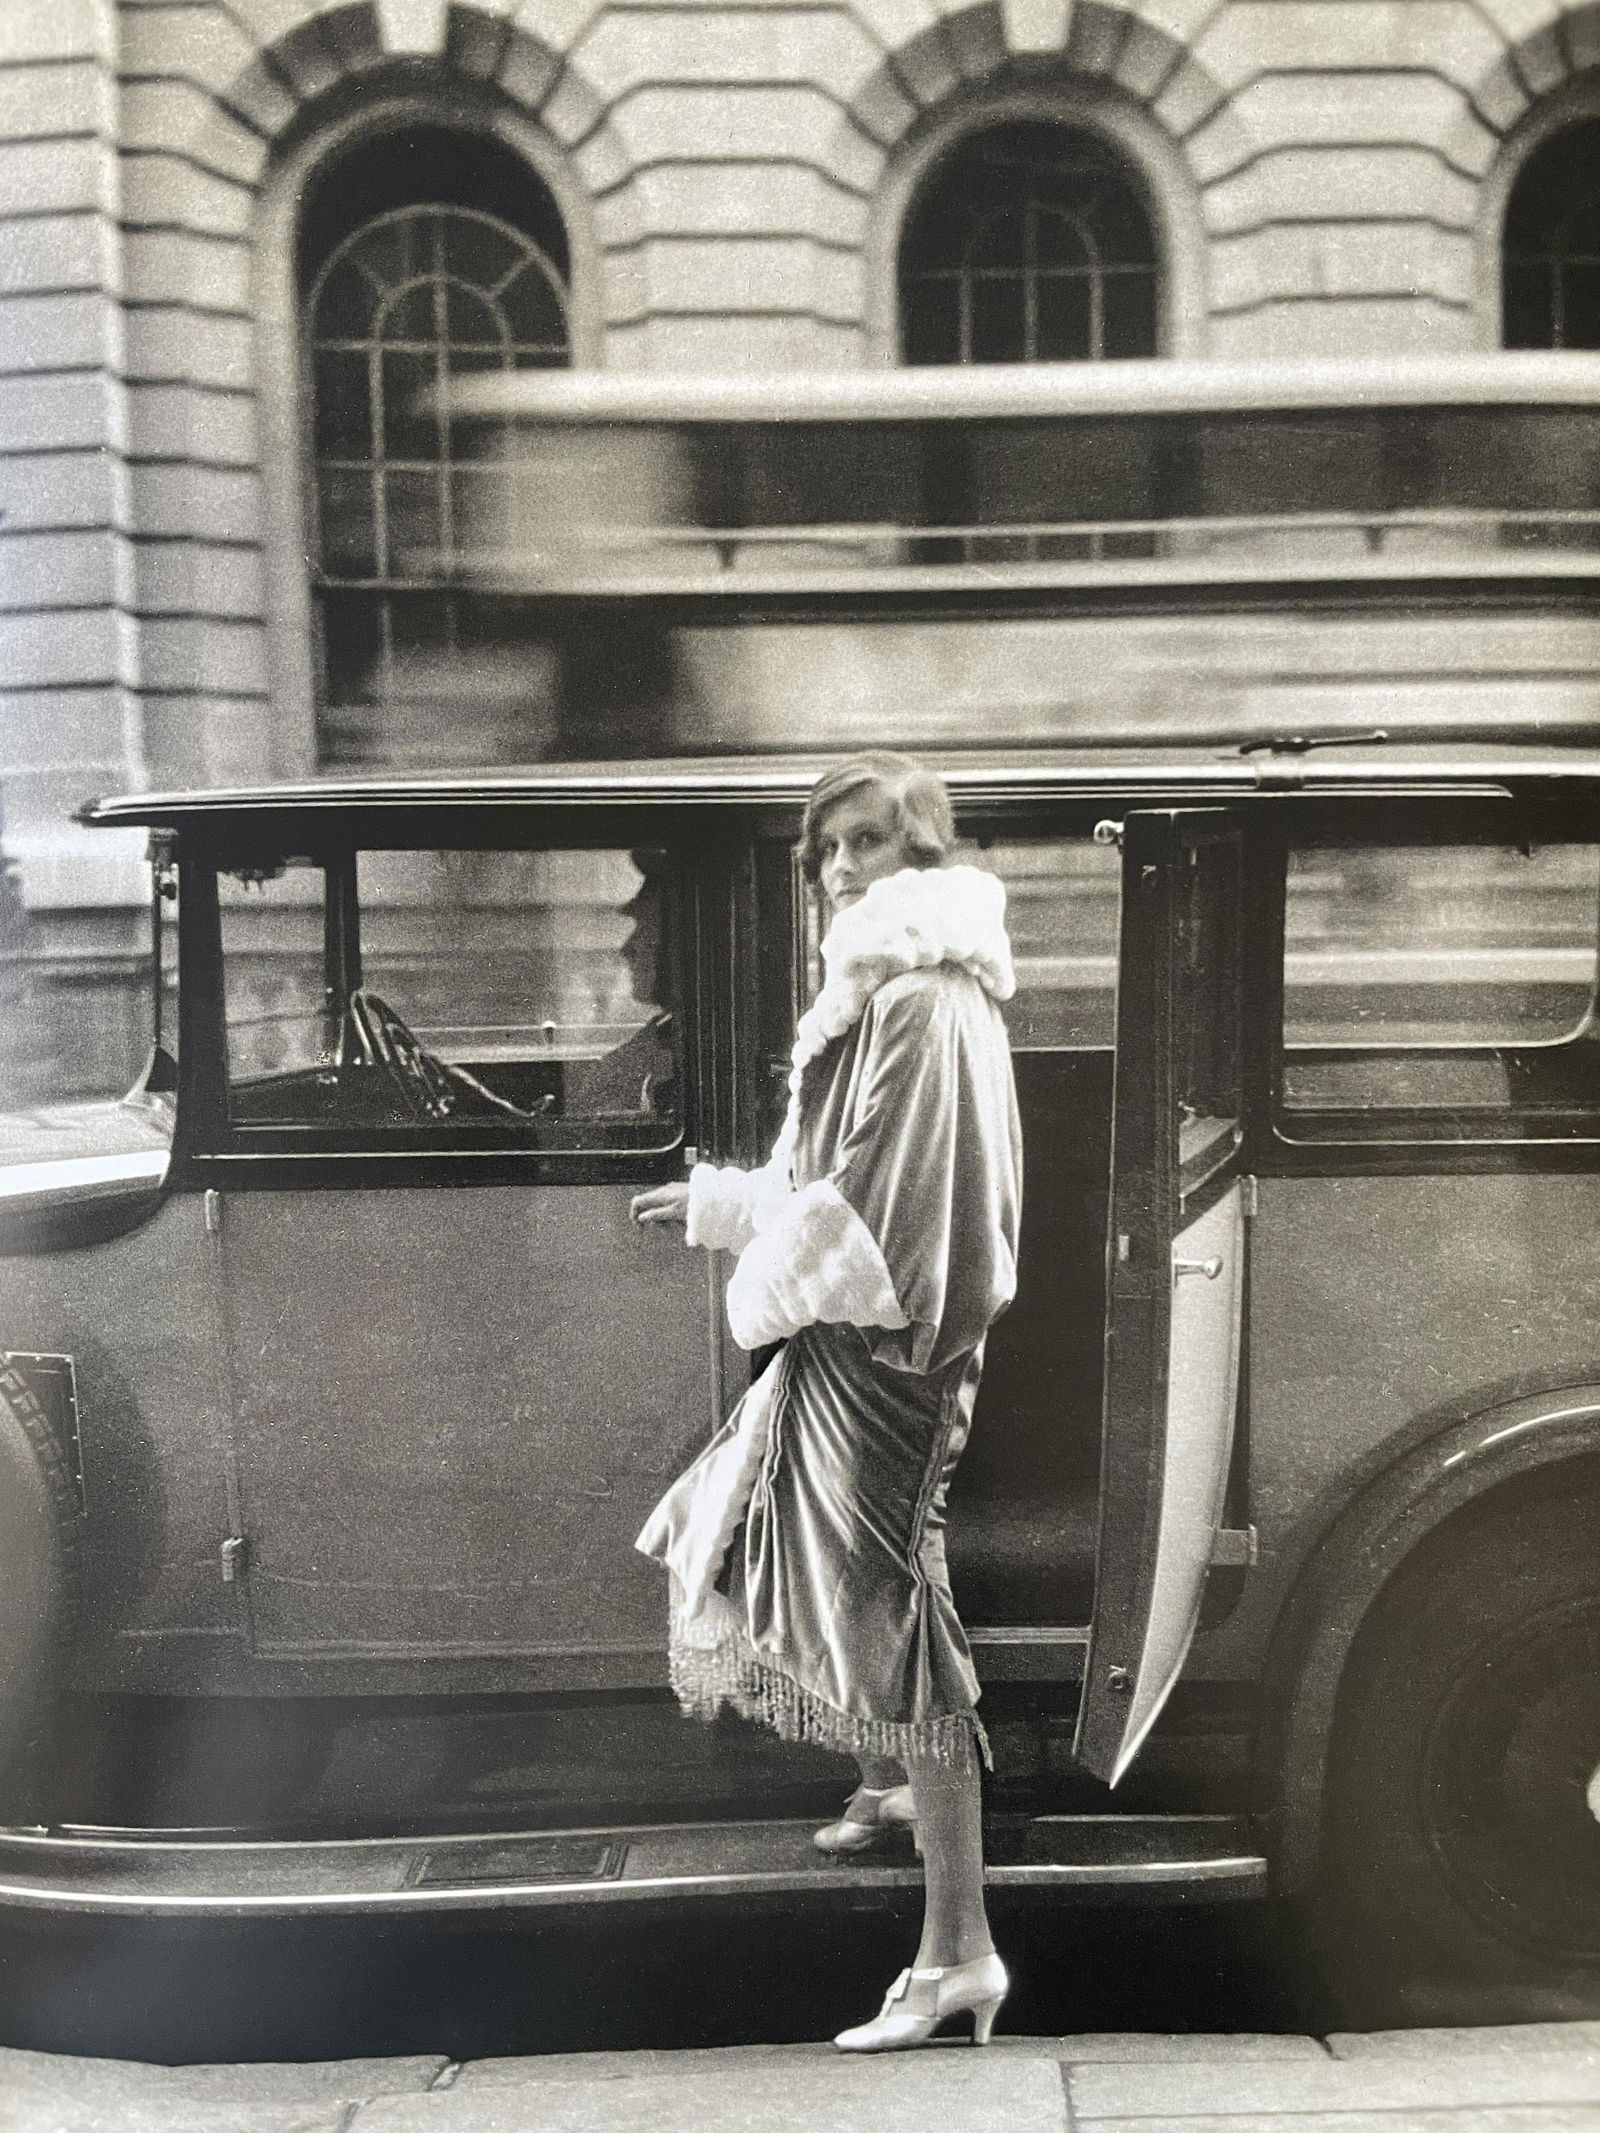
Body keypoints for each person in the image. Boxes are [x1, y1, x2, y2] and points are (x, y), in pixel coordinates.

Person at [630, 751, 1023, 2052]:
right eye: (827, 852)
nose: (842, 869)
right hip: (862, 1344)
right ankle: (903, 1808)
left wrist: (740, 1227)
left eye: (867, 843)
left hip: (885, 1356)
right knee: (875, 1605)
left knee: (903, 1619)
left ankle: (958, 1949)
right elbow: (834, 1177)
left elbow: (880, 1216)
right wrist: (728, 1206)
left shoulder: (919, 997)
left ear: (921, 855)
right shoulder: (890, 990)